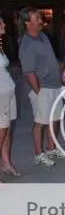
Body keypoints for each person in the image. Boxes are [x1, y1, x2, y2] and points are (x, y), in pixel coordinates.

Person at [18, 7, 65, 167]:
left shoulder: (43, 36)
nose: (40, 20)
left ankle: (51, 148)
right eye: (37, 18)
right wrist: (39, 92)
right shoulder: (27, 44)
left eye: (40, 17)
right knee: (40, 122)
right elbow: (29, 72)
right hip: (42, 88)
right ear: (27, 22)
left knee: (55, 118)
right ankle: (39, 154)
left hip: (55, 85)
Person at [0, 14, 20, 179]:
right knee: (1, 130)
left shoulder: (0, 44)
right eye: (0, 23)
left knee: (7, 130)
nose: (4, 24)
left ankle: (6, 163)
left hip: (8, 93)